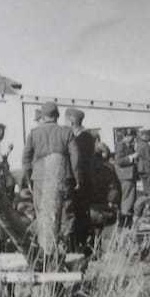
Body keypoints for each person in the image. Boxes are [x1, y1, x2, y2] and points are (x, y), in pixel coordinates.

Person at [21, 101, 81, 255]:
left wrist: (29, 179)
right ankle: (63, 249)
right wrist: (77, 178)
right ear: (57, 116)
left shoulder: (34, 133)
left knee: (42, 213)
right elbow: (76, 158)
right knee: (65, 212)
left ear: (43, 116)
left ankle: (45, 250)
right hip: (62, 176)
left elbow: (26, 160)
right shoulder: (66, 132)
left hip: (40, 178)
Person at [64, 108, 96, 253]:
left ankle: (80, 245)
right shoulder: (88, 136)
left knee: (79, 213)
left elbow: (77, 161)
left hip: (80, 181)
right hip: (85, 180)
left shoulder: (82, 138)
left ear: (71, 120)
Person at [114, 129, 138, 227]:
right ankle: (124, 221)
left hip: (130, 176)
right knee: (127, 199)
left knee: (130, 199)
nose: (132, 138)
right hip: (125, 176)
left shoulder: (129, 146)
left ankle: (126, 220)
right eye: (130, 136)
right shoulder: (121, 145)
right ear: (126, 136)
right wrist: (131, 157)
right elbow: (119, 161)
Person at [136, 128, 150, 197]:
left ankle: (146, 202)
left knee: (145, 188)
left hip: (141, 169)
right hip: (148, 169)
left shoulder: (138, 144)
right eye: (149, 135)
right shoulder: (146, 145)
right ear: (145, 136)